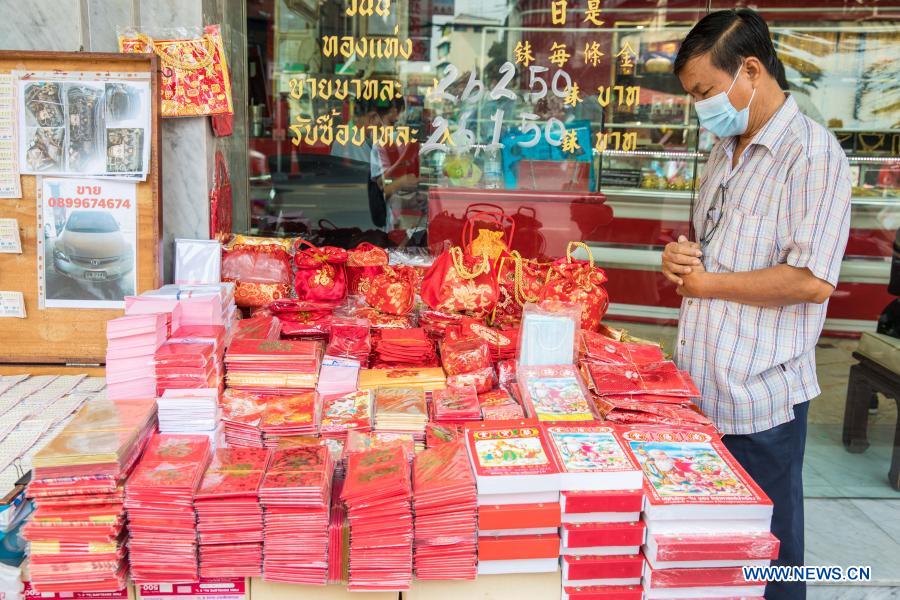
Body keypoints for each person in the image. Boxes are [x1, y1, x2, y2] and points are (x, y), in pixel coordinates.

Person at [660, 9, 851, 600]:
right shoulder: (724, 148)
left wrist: (708, 284)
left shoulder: (811, 155)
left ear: (749, 70)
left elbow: (811, 280)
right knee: (713, 555)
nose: (701, 107)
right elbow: (714, 249)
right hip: (702, 389)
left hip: (760, 399)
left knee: (769, 562)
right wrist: (682, 260)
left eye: (705, 91)